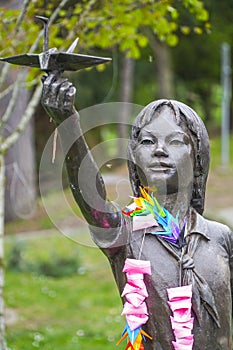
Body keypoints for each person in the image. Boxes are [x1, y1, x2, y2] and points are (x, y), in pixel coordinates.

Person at [42, 74, 233, 350]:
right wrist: (68, 123)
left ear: (198, 158)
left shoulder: (221, 238)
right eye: (147, 142)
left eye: (176, 141)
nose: (159, 150)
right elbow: (92, 199)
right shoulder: (125, 234)